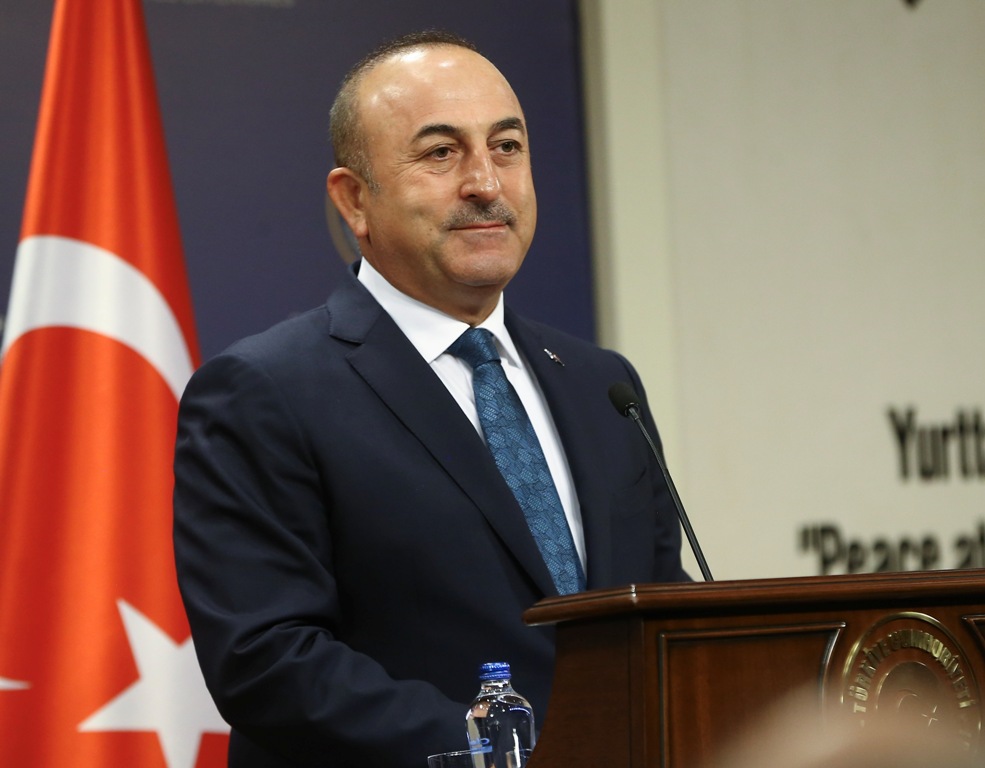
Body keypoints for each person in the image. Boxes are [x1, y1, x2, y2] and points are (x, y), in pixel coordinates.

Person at [173, 30, 689, 768]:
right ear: (354, 199)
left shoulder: (600, 383)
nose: (486, 182)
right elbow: (269, 660)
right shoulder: (265, 391)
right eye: (441, 152)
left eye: (506, 147)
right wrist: (510, 754)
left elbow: (660, 611)